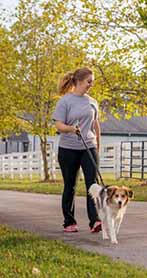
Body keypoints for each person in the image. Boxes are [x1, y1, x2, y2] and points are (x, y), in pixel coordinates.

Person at [53, 67, 102, 233]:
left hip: (89, 146)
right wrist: (71, 129)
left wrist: (98, 145)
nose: (91, 85)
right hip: (68, 149)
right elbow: (58, 125)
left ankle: (95, 221)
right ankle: (69, 222)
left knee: (93, 184)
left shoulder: (93, 102)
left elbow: (96, 125)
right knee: (70, 185)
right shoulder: (65, 101)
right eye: (89, 81)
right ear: (79, 81)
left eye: (92, 82)